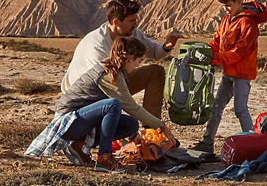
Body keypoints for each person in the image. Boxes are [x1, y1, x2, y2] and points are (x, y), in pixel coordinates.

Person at [27, 36, 175, 171]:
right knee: (113, 104)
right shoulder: (109, 74)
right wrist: (161, 126)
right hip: (69, 121)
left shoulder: (118, 72)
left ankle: (78, 145)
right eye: (138, 61)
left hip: (83, 121)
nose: (138, 66)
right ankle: (104, 158)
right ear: (129, 58)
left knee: (131, 125)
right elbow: (131, 107)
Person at [62, 0, 183, 120]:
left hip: (115, 81)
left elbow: (154, 53)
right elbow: (105, 81)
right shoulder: (97, 44)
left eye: (136, 20)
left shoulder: (132, 33)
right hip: (86, 97)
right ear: (116, 22)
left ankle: (151, 132)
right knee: (121, 118)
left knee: (155, 72)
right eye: (132, 21)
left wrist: (168, 46)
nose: (136, 25)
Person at [192, 0, 267, 153]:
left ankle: (253, 146)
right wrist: (206, 51)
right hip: (228, 72)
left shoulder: (249, 23)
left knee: (240, 109)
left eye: (228, 5)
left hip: (242, 74)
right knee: (216, 107)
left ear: (239, 1)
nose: (225, 9)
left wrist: (216, 59)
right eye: (223, 6)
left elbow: (239, 52)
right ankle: (207, 143)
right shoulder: (227, 20)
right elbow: (216, 41)